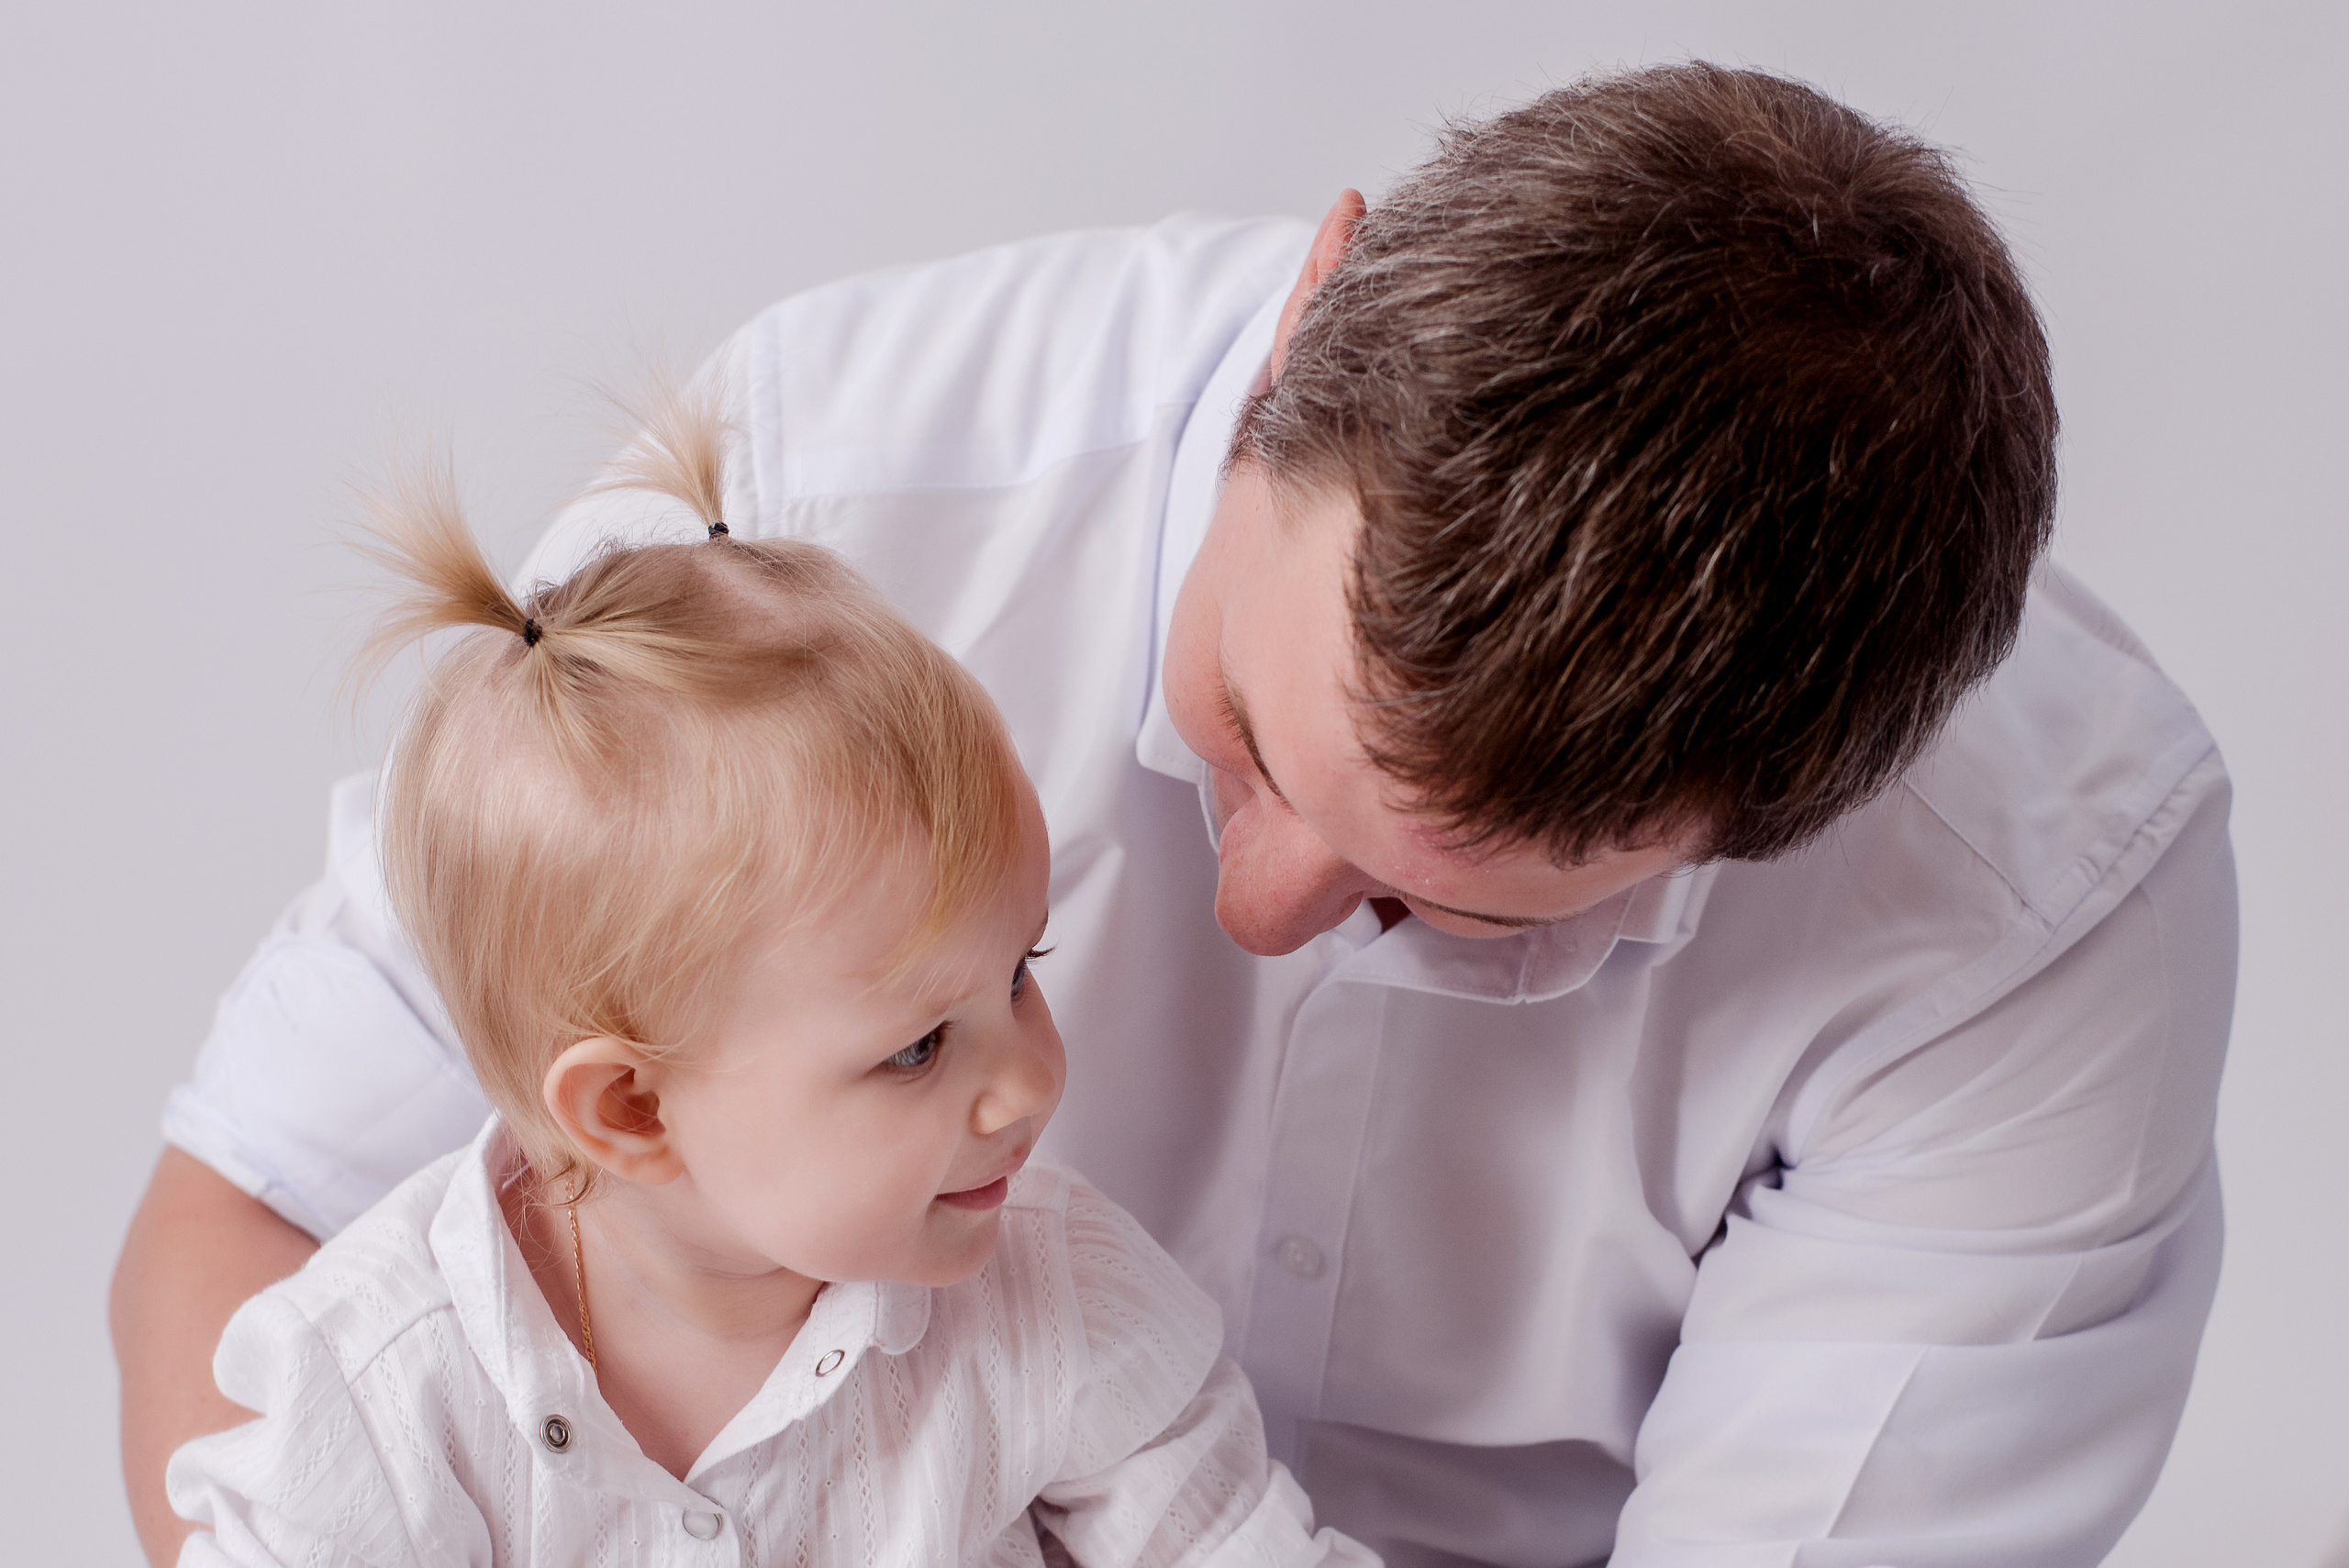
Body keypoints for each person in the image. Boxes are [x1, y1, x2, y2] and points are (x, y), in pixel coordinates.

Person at [114, 62, 2237, 1568]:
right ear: (1310, 318)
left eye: (1461, 913)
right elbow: (261, 1209)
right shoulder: (814, 517)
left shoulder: (2039, 902)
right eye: (1238, 728)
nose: (1257, 907)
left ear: (1776, 826)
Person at [164, 403, 1374, 1566]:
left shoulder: (1051, 1297)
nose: (1030, 1081)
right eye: (915, 1048)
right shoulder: (383, 1395)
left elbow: (1228, 1540)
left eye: (1018, 973)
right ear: (634, 1109)